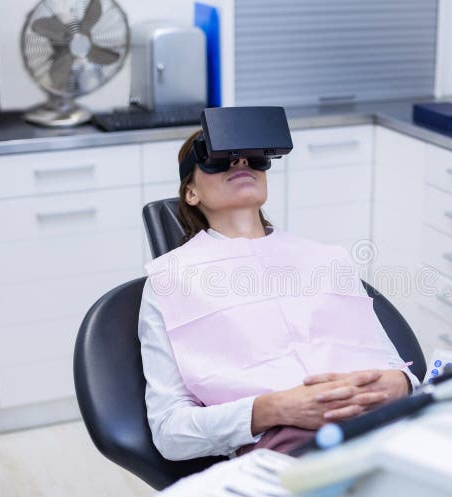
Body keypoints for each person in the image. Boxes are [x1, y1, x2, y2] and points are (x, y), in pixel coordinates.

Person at [138, 129, 419, 461]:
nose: (240, 161)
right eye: (217, 158)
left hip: (385, 424)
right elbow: (170, 432)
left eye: (253, 156)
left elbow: (396, 368)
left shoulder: (326, 259)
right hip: (290, 448)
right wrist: (273, 409)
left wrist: (401, 384)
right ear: (191, 193)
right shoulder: (168, 282)